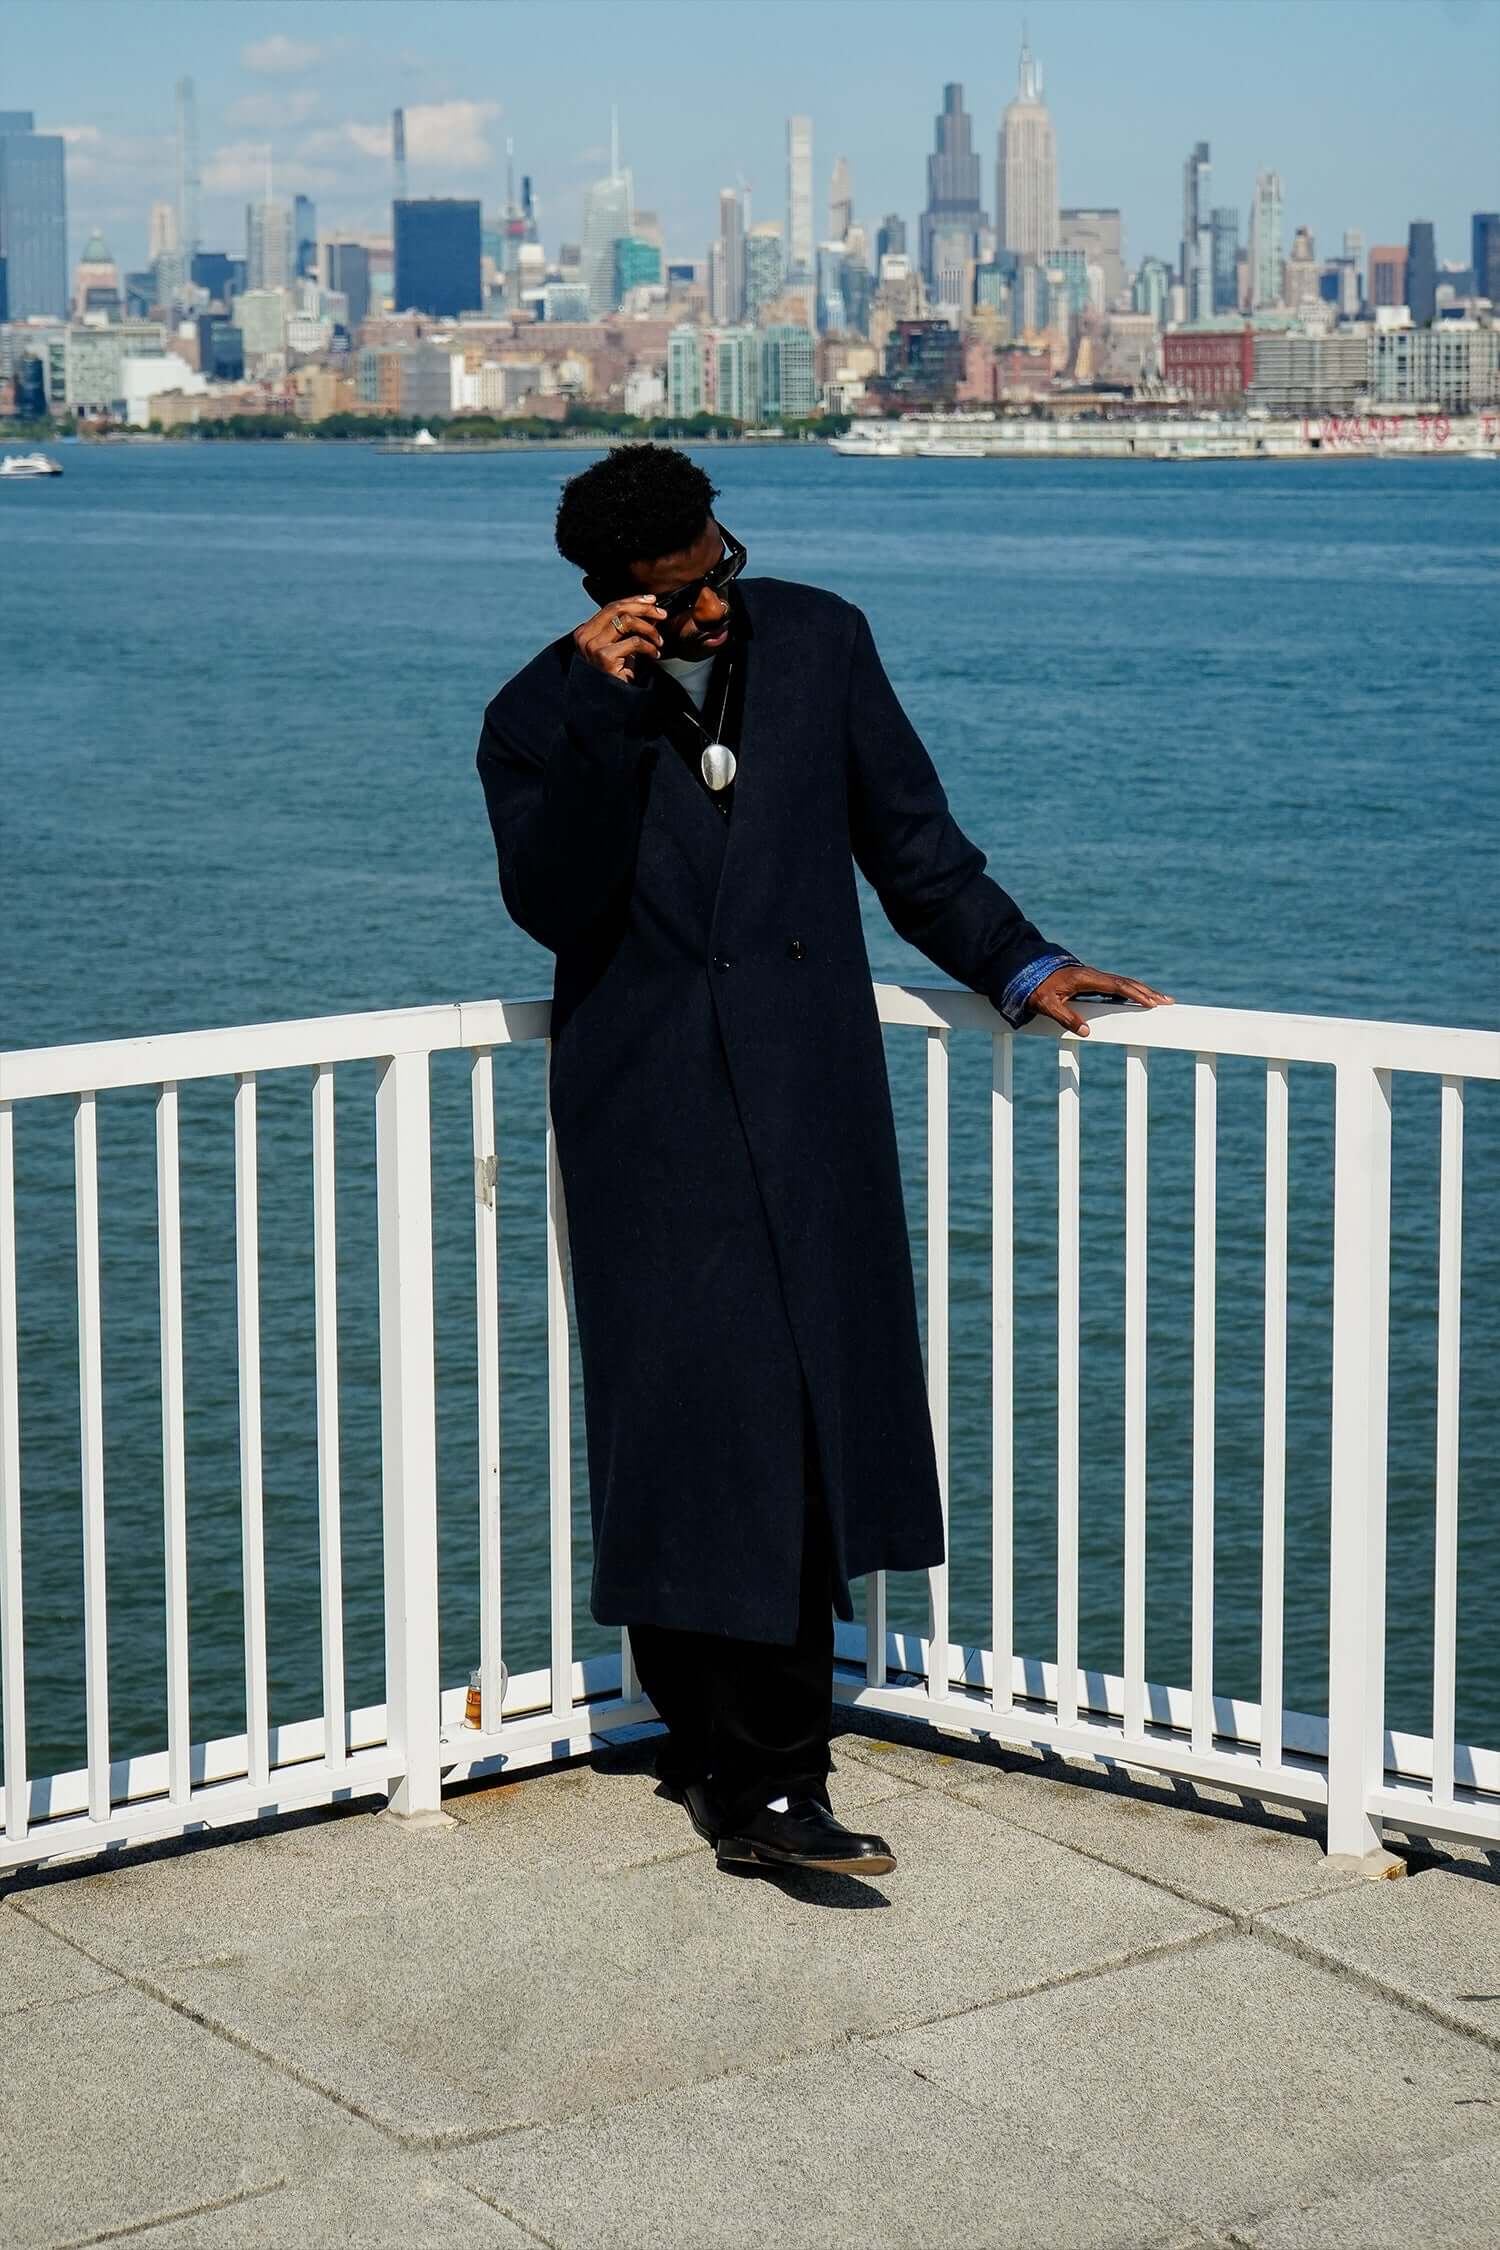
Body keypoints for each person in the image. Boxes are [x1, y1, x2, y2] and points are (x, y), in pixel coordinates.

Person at [476, 444, 1171, 1880]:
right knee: (680, 1432)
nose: (719, 604)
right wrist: (608, 718)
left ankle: (777, 1770)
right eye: (683, 598)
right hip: (649, 1116)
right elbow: (552, 901)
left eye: (721, 570)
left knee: (792, 1427)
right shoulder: (534, 716)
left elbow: (910, 843)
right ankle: (712, 1744)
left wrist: (1019, 959)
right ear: (618, 600)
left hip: (807, 1098)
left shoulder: (822, 639)